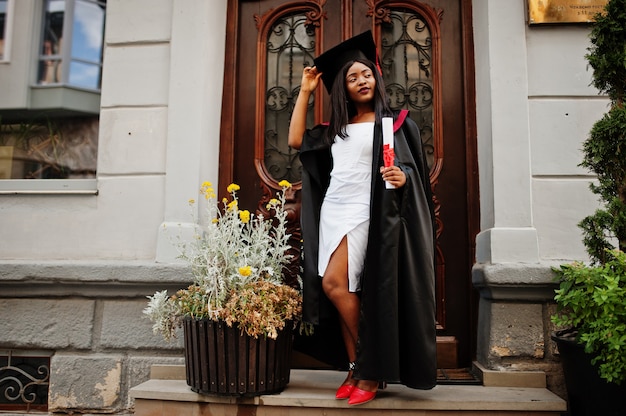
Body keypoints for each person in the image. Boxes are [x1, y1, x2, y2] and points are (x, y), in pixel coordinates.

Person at [288, 31, 437, 406]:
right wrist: (306, 89)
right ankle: (357, 367)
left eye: (366, 73)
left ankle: (372, 369)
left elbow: (412, 171)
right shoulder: (335, 130)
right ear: (344, 88)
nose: (361, 81)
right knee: (344, 290)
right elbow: (294, 141)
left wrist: (404, 177)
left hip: (365, 212)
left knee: (335, 285)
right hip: (333, 211)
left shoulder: (397, 125)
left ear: (376, 76)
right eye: (352, 78)